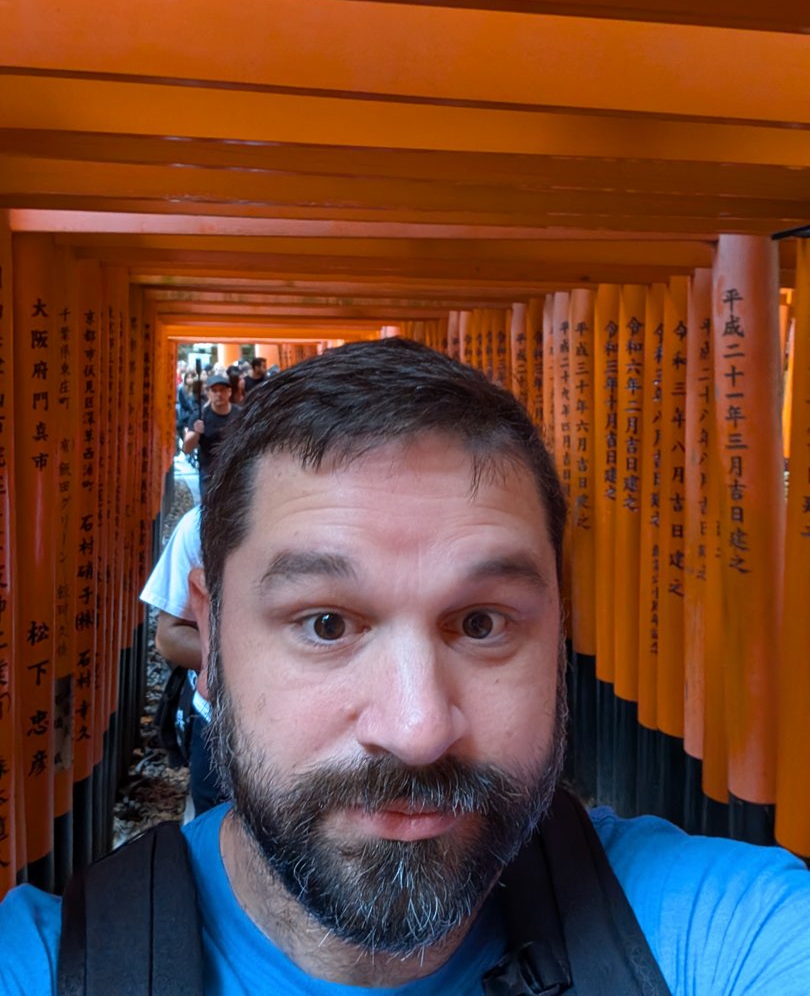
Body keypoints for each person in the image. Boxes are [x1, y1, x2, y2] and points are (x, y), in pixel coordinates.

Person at [1, 339, 808, 995]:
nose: (419, 729)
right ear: (209, 638)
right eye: (326, 625)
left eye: (482, 624)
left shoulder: (721, 935)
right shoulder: (45, 965)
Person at [139, 505, 224, 815]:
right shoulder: (202, 525)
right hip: (219, 727)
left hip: (328, 735)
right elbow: (169, 635)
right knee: (217, 841)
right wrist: (245, 668)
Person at [182, 371, 241, 498]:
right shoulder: (200, 415)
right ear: (208, 394)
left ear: (229, 392)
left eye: (222, 390)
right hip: (208, 471)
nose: (219, 394)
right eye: (214, 391)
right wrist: (197, 433)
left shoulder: (240, 414)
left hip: (234, 471)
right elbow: (187, 448)